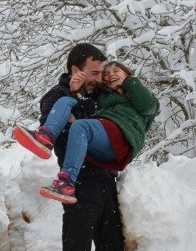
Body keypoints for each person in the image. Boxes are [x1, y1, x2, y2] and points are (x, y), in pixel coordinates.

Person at [17, 43, 127, 251]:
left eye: (101, 72)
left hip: (106, 183)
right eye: (94, 72)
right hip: (76, 187)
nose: (99, 77)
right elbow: (62, 119)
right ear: (75, 70)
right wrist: (75, 98)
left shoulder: (98, 95)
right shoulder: (56, 98)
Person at [14, 61, 159, 203]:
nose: (111, 75)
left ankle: (67, 181)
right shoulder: (103, 97)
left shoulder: (140, 95)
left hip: (124, 138)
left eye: (116, 71)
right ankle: (46, 138)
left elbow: (148, 107)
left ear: (127, 73)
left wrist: (129, 81)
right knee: (65, 101)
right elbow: (83, 109)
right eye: (107, 74)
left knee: (81, 126)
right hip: (104, 140)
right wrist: (76, 90)